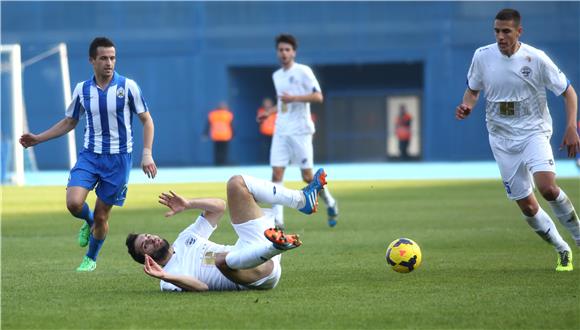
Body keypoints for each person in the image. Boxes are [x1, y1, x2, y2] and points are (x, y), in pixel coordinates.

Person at [455, 9, 580, 271]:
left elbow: (569, 93)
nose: (500, 36)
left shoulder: (536, 59)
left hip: (533, 131)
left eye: (506, 31)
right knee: (527, 205)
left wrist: (571, 127)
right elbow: (472, 92)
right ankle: (562, 249)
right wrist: (466, 107)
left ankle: (579, 239)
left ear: (518, 32)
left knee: (547, 188)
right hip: (501, 138)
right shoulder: (482, 56)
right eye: (497, 31)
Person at [19, 37, 157, 272]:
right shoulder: (82, 89)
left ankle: (90, 258)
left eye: (112, 58)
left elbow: (147, 121)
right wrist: (38, 139)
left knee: (103, 216)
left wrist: (147, 154)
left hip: (118, 160)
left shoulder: (128, 87)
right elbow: (69, 121)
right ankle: (89, 221)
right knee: (74, 203)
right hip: (90, 156)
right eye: (103, 58)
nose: (109, 63)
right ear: (92, 60)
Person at [125, 169, 328, 292]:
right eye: (146, 244)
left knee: (236, 184)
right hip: (255, 276)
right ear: (146, 259)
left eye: (149, 236)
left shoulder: (185, 238)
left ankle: (301, 200)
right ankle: (276, 246)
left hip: (252, 247)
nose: (152, 239)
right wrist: (164, 276)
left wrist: (189, 204)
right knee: (221, 260)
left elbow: (219, 207)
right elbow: (201, 287)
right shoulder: (168, 279)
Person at [257, 34, 338, 228]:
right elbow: (282, 102)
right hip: (281, 130)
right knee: (276, 174)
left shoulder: (303, 71)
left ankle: (330, 202)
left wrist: (295, 98)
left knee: (308, 177)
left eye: (287, 50)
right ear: (277, 52)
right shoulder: (277, 76)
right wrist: (270, 112)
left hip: (300, 130)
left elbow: (318, 97)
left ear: (294, 52)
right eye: (281, 50)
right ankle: (278, 222)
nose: (284, 53)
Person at [207, 102, 233, 166]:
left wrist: (205, 134)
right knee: (224, 151)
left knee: (217, 151)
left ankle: (217, 163)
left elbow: (208, 125)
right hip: (225, 135)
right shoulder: (228, 114)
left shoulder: (213, 114)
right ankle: (224, 163)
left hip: (216, 135)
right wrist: (233, 133)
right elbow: (231, 125)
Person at [256, 97, 276, 162]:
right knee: (264, 149)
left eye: (269, 103)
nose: (267, 104)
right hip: (264, 133)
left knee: (275, 149)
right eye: (266, 103)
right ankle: (264, 162)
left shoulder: (275, 111)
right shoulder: (261, 111)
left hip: (274, 134)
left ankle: (273, 161)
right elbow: (258, 120)